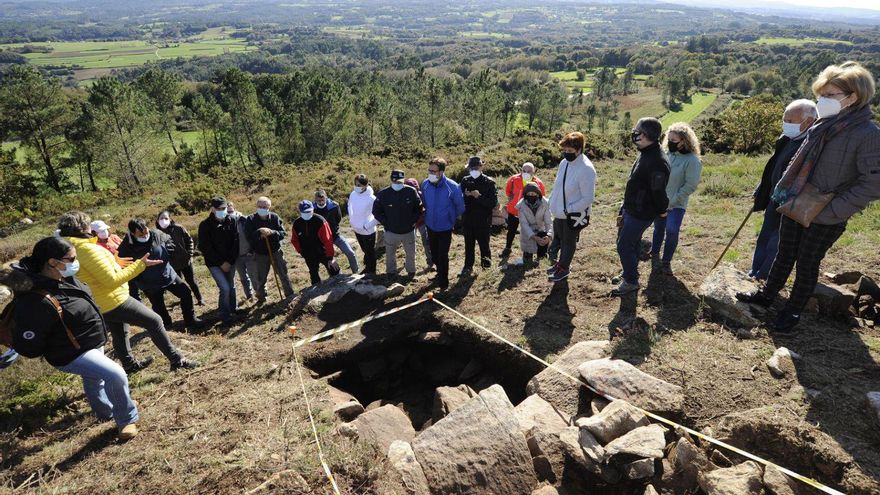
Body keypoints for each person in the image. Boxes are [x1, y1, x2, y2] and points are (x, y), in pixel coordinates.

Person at [737, 61, 880, 333]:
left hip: (826, 213)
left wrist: (833, 211)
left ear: (853, 97)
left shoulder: (868, 135)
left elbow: (873, 183)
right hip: (797, 201)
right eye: (821, 95)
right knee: (784, 253)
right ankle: (767, 296)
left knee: (807, 263)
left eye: (829, 95)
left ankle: (792, 312)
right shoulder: (824, 124)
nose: (822, 101)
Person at [8, 236, 140, 440]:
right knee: (115, 374)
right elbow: (30, 343)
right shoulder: (36, 300)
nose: (75, 263)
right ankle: (126, 420)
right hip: (71, 353)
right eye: (71, 259)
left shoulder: (63, 277)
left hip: (90, 340)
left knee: (94, 379)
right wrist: (57, 345)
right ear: (52, 262)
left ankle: (104, 413)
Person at [59, 211, 198, 373]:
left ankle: (129, 365)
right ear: (83, 227)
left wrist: (114, 262)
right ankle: (177, 359)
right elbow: (111, 280)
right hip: (113, 300)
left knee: (120, 332)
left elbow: (93, 274)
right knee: (154, 321)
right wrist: (140, 265)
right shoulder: (87, 250)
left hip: (98, 302)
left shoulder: (67, 250)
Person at [748, 100, 818, 281]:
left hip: (791, 203)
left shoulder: (811, 145)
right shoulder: (787, 139)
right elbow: (774, 168)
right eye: (784, 119)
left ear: (808, 122)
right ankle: (754, 271)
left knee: (776, 242)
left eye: (790, 120)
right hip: (774, 197)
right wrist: (763, 188)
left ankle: (764, 277)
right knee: (764, 237)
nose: (786, 124)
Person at [613, 118, 670, 296]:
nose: (633, 133)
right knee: (632, 242)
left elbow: (658, 192)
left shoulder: (657, 161)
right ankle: (630, 271)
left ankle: (631, 281)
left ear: (644, 135)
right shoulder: (646, 152)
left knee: (624, 245)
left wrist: (662, 211)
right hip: (632, 208)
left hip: (641, 212)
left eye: (636, 130)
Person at [118, 219, 203, 330]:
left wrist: (167, 252)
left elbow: (169, 241)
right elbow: (124, 264)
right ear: (133, 233)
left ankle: (190, 320)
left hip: (167, 274)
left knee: (185, 293)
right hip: (148, 282)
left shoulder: (156, 234)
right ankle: (167, 325)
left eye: (146, 231)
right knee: (158, 305)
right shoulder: (127, 246)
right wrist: (139, 272)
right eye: (140, 234)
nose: (145, 235)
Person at [649, 122, 703, 276]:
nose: (670, 143)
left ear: (685, 141)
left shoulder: (692, 161)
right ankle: (654, 252)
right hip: (659, 201)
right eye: (669, 139)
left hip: (676, 204)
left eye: (674, 141)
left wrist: (671, 202)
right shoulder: (666, 154)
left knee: (671, 231)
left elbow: (690, 186)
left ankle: (666, 262)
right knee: (658, 228)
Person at [547, 132, 597, 283]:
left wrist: (569, 209)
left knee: (568, 242)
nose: (567, 154)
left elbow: (588, 198)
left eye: (570, 151)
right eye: (565, 151)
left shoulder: (586, 169)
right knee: (561, 238)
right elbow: (558, 186)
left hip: (573, 214)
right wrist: (552, 202)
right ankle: (560, 264)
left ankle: (564, 268)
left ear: (579, 149)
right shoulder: (564, 163)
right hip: (560, 211)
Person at [422, 157, 465, 290]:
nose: (430, 173)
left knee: (442, 255)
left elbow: (460, 206)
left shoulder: (452, 186)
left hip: (445, 227)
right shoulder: (425, 184)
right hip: (430, 225)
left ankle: (443, 283)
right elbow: (424, 201)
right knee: (434, 253)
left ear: (441, 172)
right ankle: (439, 272)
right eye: (429, 170)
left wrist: (452, 219)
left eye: (433, 171)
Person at [198, 197, 242, 326]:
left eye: (224, 208)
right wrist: (221, 262)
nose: (222, 211)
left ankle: (233, 309)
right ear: (212, 209)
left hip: (230, 261)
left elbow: (236, 242)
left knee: (231, 285)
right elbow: (206, 247)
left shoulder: (232, 220)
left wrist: (229, 261)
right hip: (214, 263)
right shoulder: (205, 225)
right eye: (219, 209)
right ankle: (224, 315)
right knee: (225, 287)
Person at [373, 170, 423, 277]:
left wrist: (414, 221)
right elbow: (376, 211)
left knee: (410, 253)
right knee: (390, 254)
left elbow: (419, 208)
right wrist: (386, 223)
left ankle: (411, 272)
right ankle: (391, 272)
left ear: (403, 180)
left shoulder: (411, 191)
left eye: (400, 181)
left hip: (408, 231)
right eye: (395, 181)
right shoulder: (383, 194)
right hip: (391, 232)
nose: (397, 184)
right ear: (391, 179)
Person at [245, 196, 295, 303]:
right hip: (260, 254)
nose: (262, 208)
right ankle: (262, 298)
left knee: (283, 274)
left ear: (269, 207)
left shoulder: (275, 217)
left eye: (265, 206)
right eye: (260, 206)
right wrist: (259, 232)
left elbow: (282, 234)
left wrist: (272, 232)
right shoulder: (250, 219)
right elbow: (248, 237)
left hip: (275, 251)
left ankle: (290, 295)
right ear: (256, 206)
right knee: (261, 277)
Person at [459, 156, 498, 277]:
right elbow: (459, 199)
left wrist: (478, 196)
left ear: (481, 167)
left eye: (476, 167)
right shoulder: (465, 180)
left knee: (484, 245)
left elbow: (492, 203)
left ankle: (486, 267)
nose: (474, 170)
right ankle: (468, 266)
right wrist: (465, 195)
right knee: (468, 245)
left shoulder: (489, 182)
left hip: (483, 220)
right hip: (468, 219)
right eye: (472, 168)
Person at [156, 211, 204, 306]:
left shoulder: (178, 228)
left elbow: (189, 240)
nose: (163, 220)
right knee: (179, 284)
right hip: (172, 264)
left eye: (166, 218)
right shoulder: (157, 234)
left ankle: (200, 298)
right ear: (157, 221)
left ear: (170, 219)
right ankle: (185, 299)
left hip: (185, 261)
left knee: (191, 281)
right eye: (161, 218)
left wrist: (189, 253)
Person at [502, 162, 545, 258]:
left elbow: (542, 197)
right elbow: (508, 192)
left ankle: (527, 251)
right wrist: (512, 201)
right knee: (511, 230)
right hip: (514, 211)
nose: (526, 173)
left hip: (529, 213)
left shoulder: (538, 183)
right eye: (524, 170)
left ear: (533, 171)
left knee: (528, 232)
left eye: (529, 171)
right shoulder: (513, 179)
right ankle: (508, 248)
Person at [291, 201, 338, 285]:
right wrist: (301, 251)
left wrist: (330, 257)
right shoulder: (297, 224)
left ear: (313, 209)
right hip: (308, 254)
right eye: (304, 212)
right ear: (299, 211)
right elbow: (294, 240)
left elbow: (328, 240)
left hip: (323, 252)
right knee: (314, 276)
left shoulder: (320, 221)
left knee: (334, 270)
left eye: (309, 211)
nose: (307, 214)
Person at [314, 189, 359, 274]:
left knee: (350, 253)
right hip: (322, 239)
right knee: (327, 260)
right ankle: (335, 276)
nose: (321, 202)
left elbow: (338, 218)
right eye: (318, 200)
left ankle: (356, 273)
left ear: (326, 198)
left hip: (335, 235)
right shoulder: (312, 209)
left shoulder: (334, 206)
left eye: (322, 199)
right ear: (315, 199)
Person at [516, 183, 553, 267]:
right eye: (528, 194)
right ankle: (527, 257)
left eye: (533, 194)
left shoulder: (545, 204)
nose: (531, 196)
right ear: (525, 195)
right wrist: (533, 236)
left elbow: (549, 222)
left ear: (538, 194)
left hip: (541, 229)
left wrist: (549, 236)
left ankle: (542, 256)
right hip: (528, 233)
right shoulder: (521, 206)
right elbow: (524, 224)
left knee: (543, 242)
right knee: (527, 260)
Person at [348, 174, 378, 275]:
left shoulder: (372, 198)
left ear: (365, 185)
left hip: (368, 230)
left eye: (359, 185)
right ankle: (368, 267)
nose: (356, 187)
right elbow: (350, 205)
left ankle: (372, 271)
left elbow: (378, 215)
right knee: (364, 250)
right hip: (357, 228)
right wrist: (352, 219)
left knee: (370, 252)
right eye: (355, 184)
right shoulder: (353, 194)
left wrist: (367, 225)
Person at [227, 201, 256, 301]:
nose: (230, 213)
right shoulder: (225, 224)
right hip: (237, 256)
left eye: (231, 211)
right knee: (243, 278)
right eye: (227, 212)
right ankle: (249, 295)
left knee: (254, 276)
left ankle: (261, 295)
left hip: (248, 253)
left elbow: (252, 236)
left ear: (234, 209)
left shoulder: (244, 220)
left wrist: (252, 250)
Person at [405, 178, 433, 270]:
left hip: (421, 222)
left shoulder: (422, 195)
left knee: (426, 242)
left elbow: (426, 208)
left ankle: (430, 261)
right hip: (411, 224)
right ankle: (411, 263)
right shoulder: (404, 196)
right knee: (410, 244)